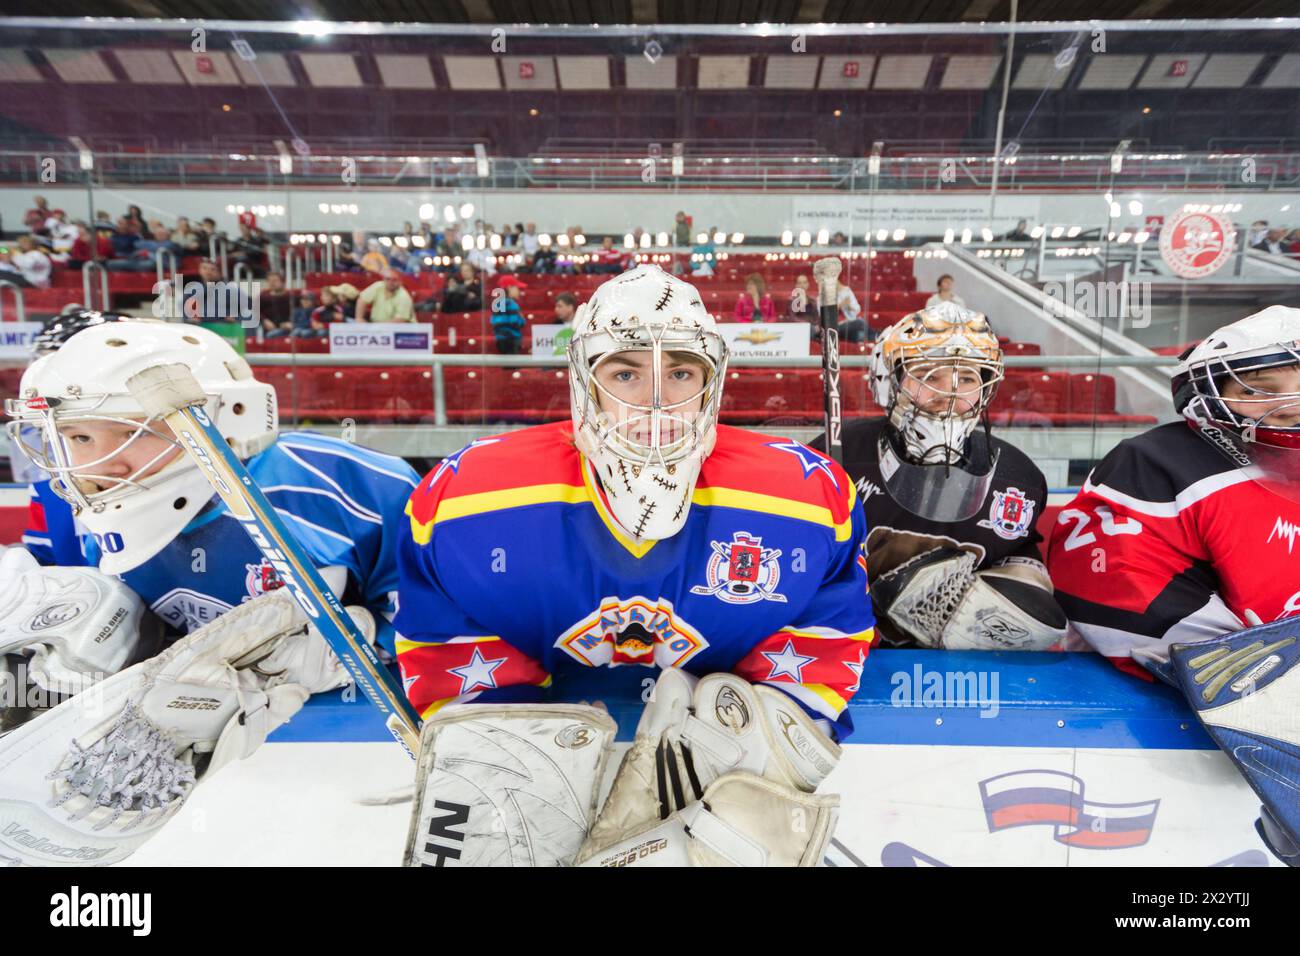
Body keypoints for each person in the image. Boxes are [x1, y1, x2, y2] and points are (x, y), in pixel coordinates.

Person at [396, 264, 872, 867]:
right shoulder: (469, 502)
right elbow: (447, 643)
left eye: (679, 373)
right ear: (582, 384)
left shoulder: (805, 497)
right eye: (625, 372)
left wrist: (764, 746)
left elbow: (824, 638)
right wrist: (519, 746)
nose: (655, 403)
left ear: (715, 382)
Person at [0, 318, 420, 866]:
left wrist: (372, 640)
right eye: (79, 436)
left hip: (365, 746)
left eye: (130, 431)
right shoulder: (86, 502)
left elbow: (440, 614)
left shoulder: (337, 483)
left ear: (228, 417)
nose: (98, 465)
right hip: (227, 768)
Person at [1046, 305, 1300, 867]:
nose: (1291, 401)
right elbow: (1129, 604)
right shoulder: (1157, 463)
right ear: (1212, 394)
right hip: (1187, 726)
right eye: (1262, 387)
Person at [811, 304, 1066, 651]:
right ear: (890, 381)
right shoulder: (833, 456)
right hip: (845, 654)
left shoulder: (1017, 478)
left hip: (954, 665)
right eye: (930, 376)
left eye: (967, 379)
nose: (950, 396)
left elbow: (1019, 553)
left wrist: (1019, 586)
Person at [491, 274, 527, 354]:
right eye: (518, 289)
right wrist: (522, 319)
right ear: (509, 288)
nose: (519, 292)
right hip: (512, 339)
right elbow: (515, 322)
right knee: (513, 364)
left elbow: (495, 322)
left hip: (500, 340)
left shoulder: (497, 303)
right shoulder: (512, 304)